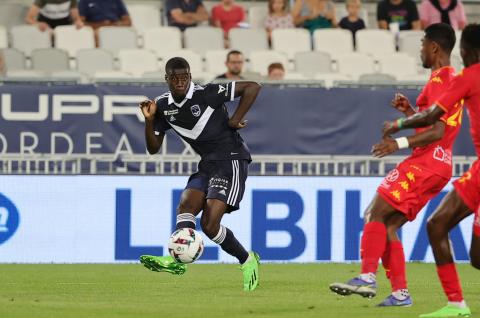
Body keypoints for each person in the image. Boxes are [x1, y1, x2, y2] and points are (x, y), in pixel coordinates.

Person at [329, 23, 460, 307]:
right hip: (439, 164)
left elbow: (436, 132)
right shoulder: (448, 80)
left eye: (423, 44)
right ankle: (401, 293)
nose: (420, 50)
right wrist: (410, 112)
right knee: (388, 225)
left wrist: (396, 143)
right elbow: (436, 126)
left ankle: (367, 275)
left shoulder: (440, 81)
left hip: (425, 162)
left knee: (374, 212)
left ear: (434, 47)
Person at [381, 23, 480, 318]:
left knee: (437, 226)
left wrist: (396, 126)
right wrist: (411, 113)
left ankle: (456, 304)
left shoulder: (466, 77)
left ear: (466, 51)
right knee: (476, 257)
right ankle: (456, 305)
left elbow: (435, 115)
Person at [138, 57, 261, 291]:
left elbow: (253, 87)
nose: (180, 81)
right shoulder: (162, 105)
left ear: (190, 76)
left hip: (231, 159)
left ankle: (247, 260)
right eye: (174, 78)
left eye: (184, 76)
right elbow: (153, 149)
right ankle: (177, 261)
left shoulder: (208, 93)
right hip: (207, 163)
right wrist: (150, 120)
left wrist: (234, 120)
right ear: (167, 79)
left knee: (210, 225)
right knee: (186, 205)